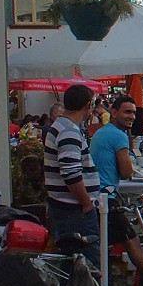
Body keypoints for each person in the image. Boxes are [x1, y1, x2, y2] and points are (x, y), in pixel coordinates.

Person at [89, 96, 143, 286]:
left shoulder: (104, 132)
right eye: (127, 112)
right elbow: (127, 172)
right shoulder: (118, 135)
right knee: (132, 241)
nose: (132, 117)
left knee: (125, 240)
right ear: (114, 112)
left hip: (97, 196)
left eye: (134, 113)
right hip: (105, 199)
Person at [43, 85, 102, 265]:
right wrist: (86, 203)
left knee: (71, 262)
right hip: (74, 209)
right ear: (88, 105)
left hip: (65, 207)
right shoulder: (68, 131)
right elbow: (70, 173)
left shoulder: (61, 126)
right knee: (83, 263)